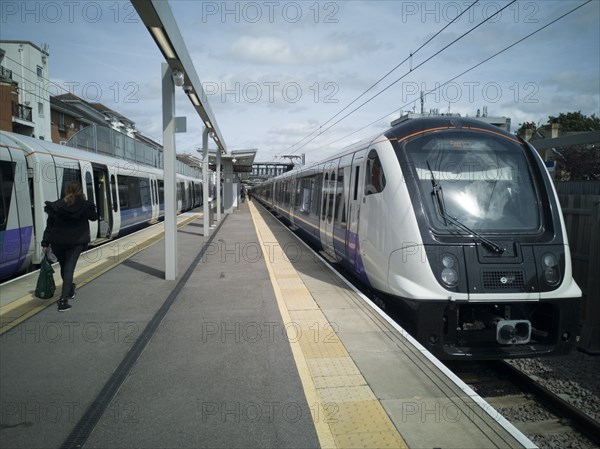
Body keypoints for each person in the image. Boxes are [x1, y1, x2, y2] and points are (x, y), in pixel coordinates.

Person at [41, 181, 98, 312]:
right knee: (69, 269)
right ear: (80, 190)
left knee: (64, 266)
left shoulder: (57, 205)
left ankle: (70, 289)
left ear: (66, 191)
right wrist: (88, 206)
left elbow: (50, 226)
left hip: (58, 242)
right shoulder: (85, 205)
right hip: (75, 243)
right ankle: (63, 300)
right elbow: (94, 218)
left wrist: (45, 243)